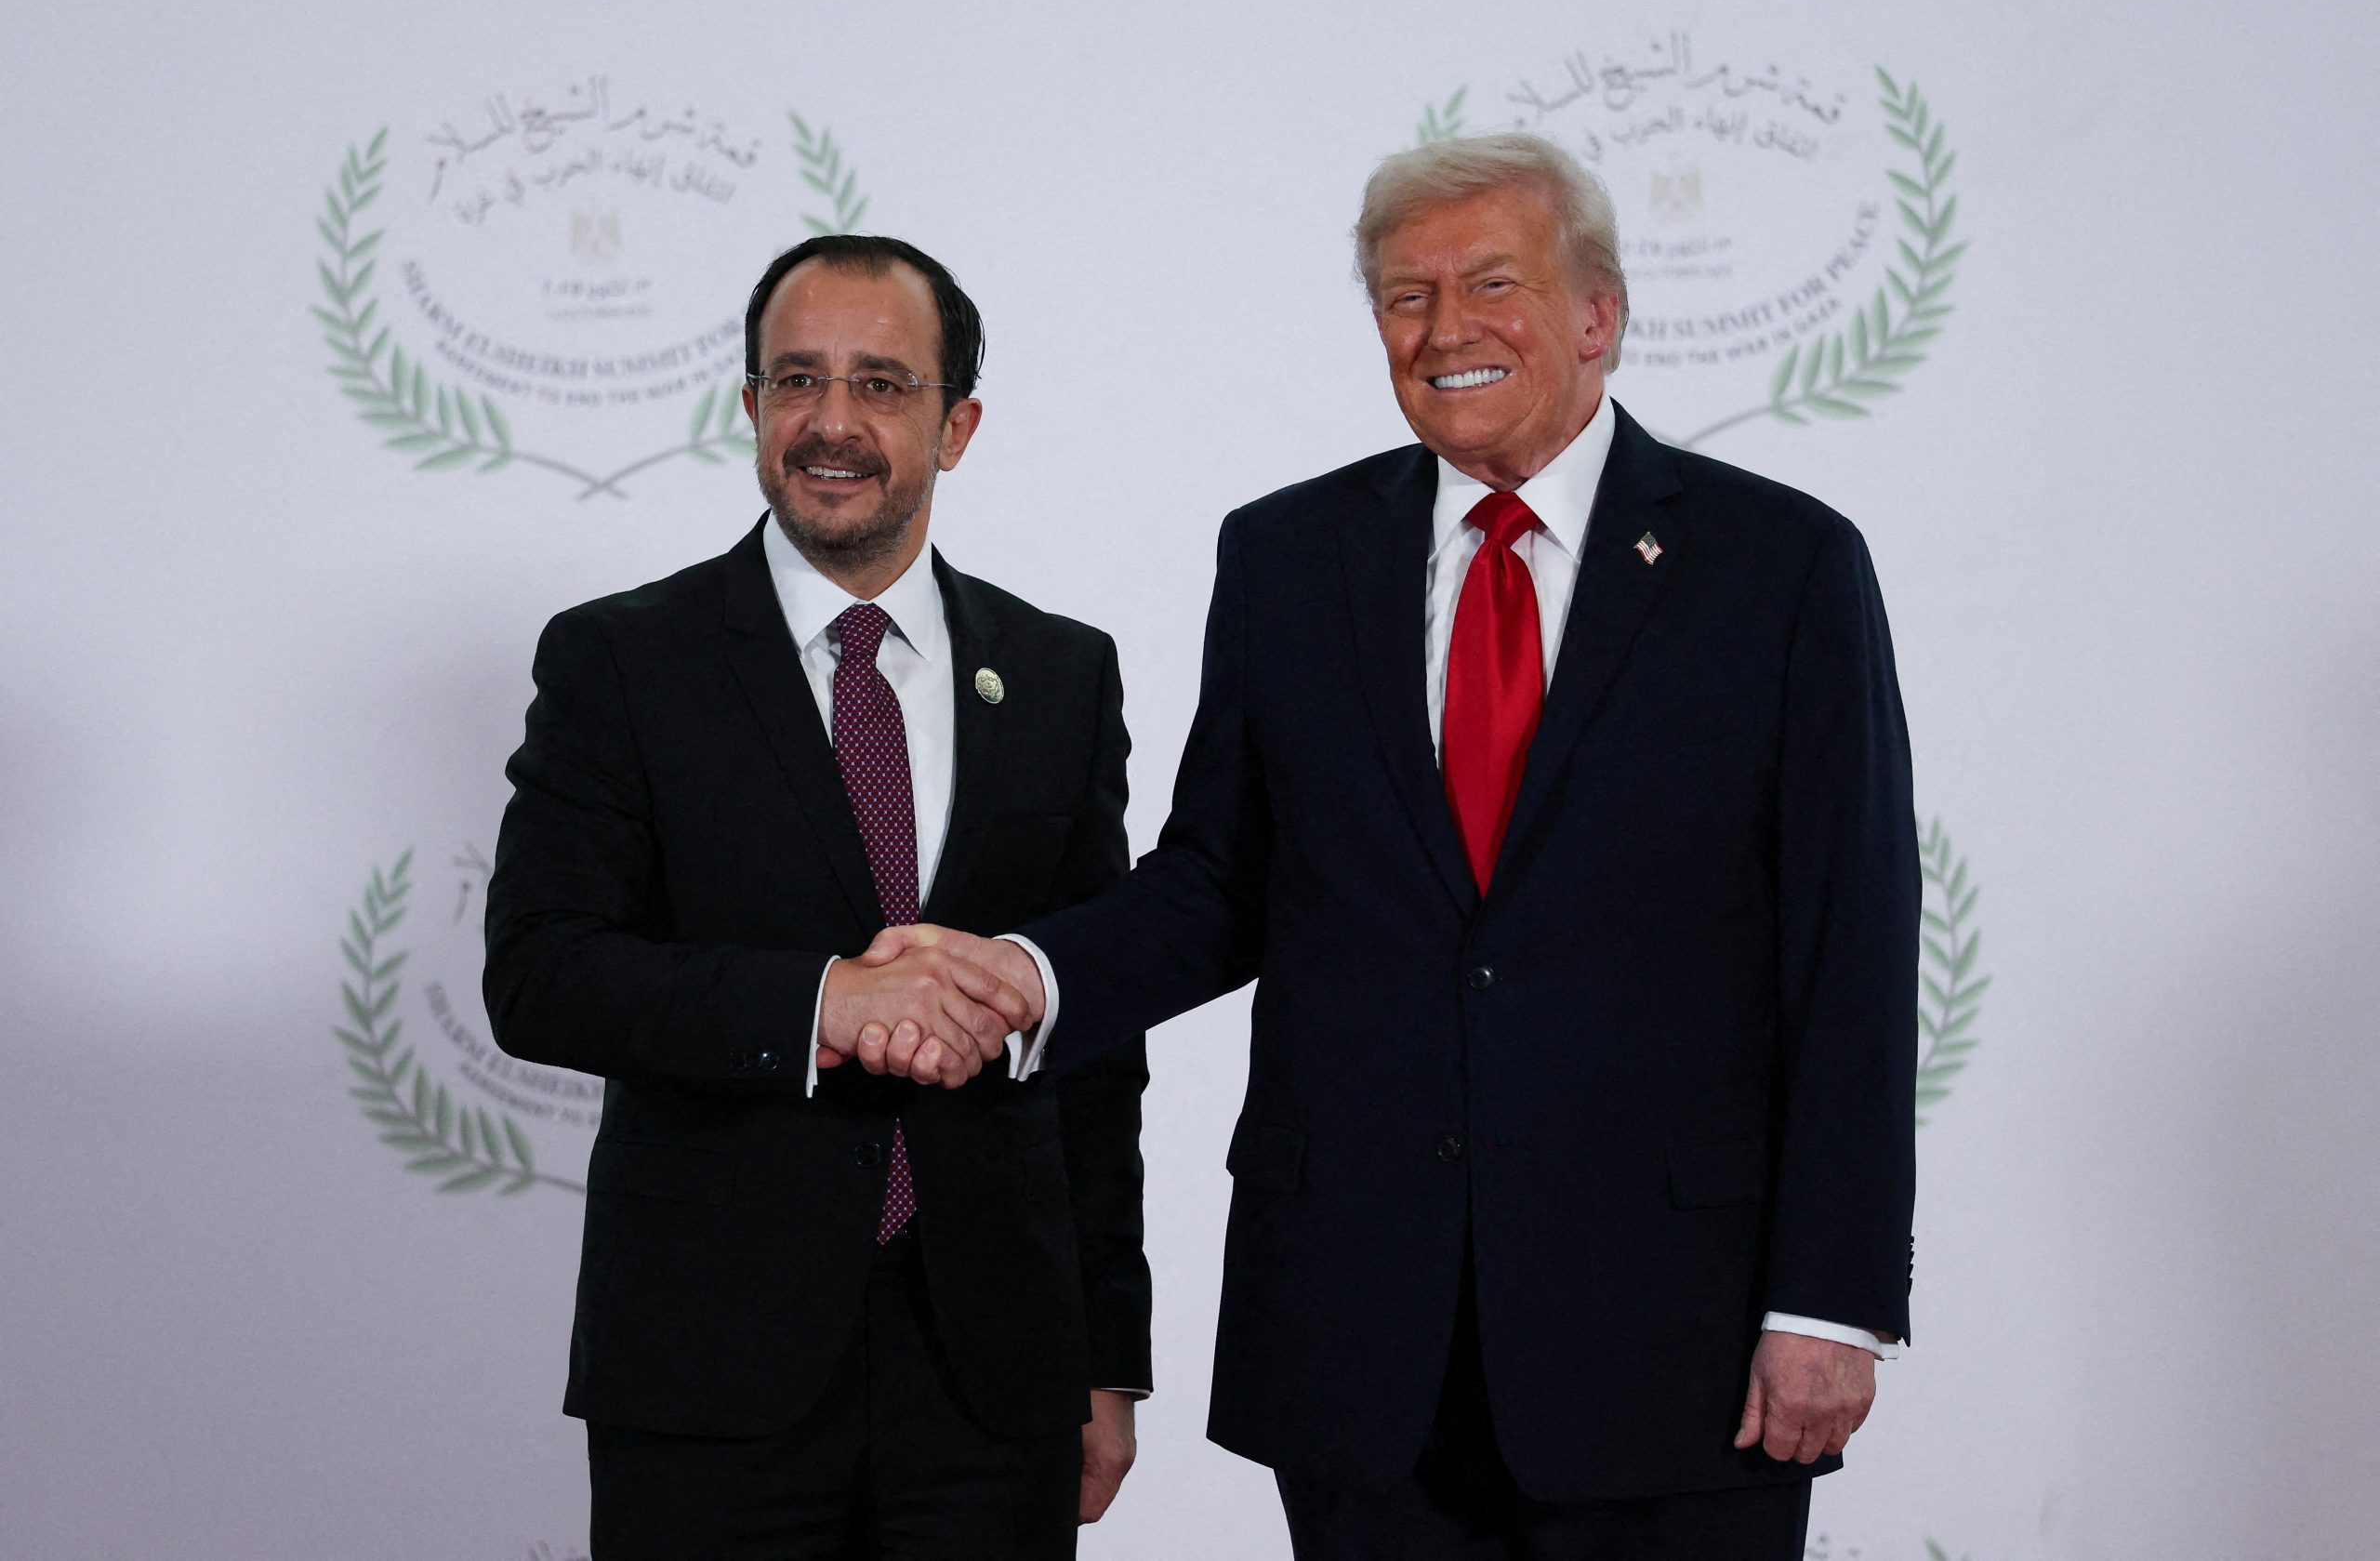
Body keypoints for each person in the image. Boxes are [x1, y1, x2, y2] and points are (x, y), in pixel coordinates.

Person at [851, 136, 1919, 1557]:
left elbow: (1852, 947)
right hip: (1362, 1325)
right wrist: (1026, 977)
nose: (1445, 328)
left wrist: (1831, 1299)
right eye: (1406, 296)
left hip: (1676, 1331)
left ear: (1597, 314)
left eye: (1494, 284)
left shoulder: (1779, 565)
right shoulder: (1289, 557)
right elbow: (1220, 882)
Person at [482, 233, 1150, 1560]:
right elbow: (542, 974)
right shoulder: (623, 660)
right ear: (750, 408)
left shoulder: (1061, 676)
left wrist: (1106, 1353)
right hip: (708, 1365)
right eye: (797, 380)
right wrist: (820, 1003)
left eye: (881, 385)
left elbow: (1095, 1035)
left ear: (956, 427)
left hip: (995, 1372)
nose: (832, 421)